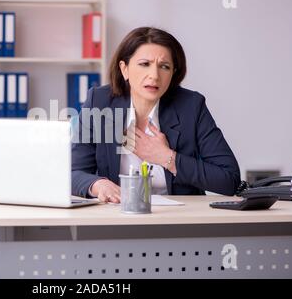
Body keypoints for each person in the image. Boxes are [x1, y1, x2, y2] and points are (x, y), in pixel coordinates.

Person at [71, 27, 241, 203]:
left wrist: (167, 158)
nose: (154, 76)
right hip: (117, 216)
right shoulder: (99, 102)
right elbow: (73, 173)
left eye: (164, 67)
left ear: (173, 73)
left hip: (179, 219)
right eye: (144, 64)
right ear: (124, 69)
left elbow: (229, 179)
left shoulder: (191, 106)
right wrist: (98, 184)